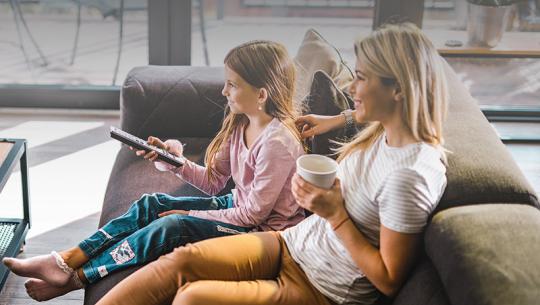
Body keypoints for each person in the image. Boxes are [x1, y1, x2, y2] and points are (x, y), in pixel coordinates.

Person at [93, 22, 449, 305]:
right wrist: (337, 119)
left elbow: (387, 280)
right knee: (180, 261)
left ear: (399, 89)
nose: (353, 87)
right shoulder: (384, 132)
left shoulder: (409, 177)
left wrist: (335, 215)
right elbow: (371, 117)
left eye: (361, 77)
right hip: (293, 243)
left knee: (193, 297)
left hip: (322, 288)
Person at [2, 40, 306, 302]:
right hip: (241, 207)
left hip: (264, 233)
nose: (224, 90)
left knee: (171, 226)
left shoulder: (277, 143)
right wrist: (174, 159)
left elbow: (253, 216)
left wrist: (189, 217)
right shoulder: (241, 122)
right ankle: (66, 260)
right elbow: (214, 182)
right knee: (152, 204)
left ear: (262, 94)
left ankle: (76, 277)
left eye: (233, 84)